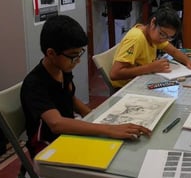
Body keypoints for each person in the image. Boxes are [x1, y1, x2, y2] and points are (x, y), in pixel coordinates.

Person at [21, 15, 151, 158]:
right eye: (73, 56)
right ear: (51, 53)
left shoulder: (63, 70)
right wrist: (107, 128)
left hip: (67, 134)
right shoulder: (35, 83)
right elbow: (56, 124)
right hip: (47, 147)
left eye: (79, 54)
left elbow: (71, 99)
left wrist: (97, 117)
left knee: (122, 150)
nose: (77, 61)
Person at [110, 6, 191, 89]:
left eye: (169, 37)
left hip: (141, 80)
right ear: (153, 22)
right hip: (125, 87)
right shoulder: (136, 38)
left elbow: (173, 51)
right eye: (162, 34)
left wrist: (188, 61)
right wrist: (151, 68)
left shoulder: (153, 36)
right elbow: (115, 74)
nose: (164, 39)